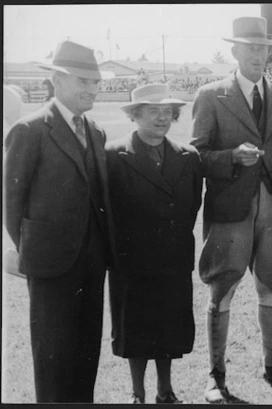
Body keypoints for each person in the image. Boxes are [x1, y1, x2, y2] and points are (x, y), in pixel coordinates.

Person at [190, 16, 272, 403]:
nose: (258, 54)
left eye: (264, 48)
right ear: (234, 51)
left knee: (271, 282)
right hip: (230, 207)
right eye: (251, 47)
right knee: (223, 287)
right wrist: (232, 157)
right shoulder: (210, 94)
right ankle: (215, 374)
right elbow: (196, 155)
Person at [3, 40, 114, 402]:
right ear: (56, 80)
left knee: (86, 354)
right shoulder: (29, 130)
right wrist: (34, 253)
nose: (92, 89)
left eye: (95, 82)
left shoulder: (96, 132)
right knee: (52, 361)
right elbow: (12, 206)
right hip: (50, 266)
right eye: (83, 81)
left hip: (92, 264)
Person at [106, 84, 202, 404]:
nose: (161, 118)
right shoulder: (113, 155)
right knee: (135, 326)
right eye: (152, 111)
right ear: (135, 115)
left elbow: (191, 205)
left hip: (173, 257)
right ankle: (138, 391)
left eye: (167, 112)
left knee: (168, 326)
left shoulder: (188, 156)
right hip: (132, 260)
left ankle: (166, 388)